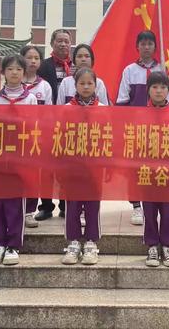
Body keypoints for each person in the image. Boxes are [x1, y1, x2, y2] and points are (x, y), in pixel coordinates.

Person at [0, 55, 37, 266]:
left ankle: (13, 245)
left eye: (18, 69)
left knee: (16, 203)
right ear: (2, 73)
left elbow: (34, 127)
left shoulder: (30, 98)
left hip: (20, 157)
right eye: (10, 69)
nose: (14, 73)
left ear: (24, 73)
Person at [116, 30, 169, 226]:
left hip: (160, 129)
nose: (146, 47)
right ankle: (137, 206)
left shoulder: (164, 69)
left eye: (150, 44)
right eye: (143, 43)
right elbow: (122, 100)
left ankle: (157, 201)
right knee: (136, 168)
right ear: (137, 47)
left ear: (155, 47)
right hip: (137, 128)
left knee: (159, 168)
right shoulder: (129, 70)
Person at [61, 68, 107, 265]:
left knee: (92, 205)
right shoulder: (65, 109)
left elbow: (108, 138)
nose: (86, 87)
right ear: (75, 85)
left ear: (96, 85)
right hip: (72, 166)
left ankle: (90, 242)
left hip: (95, 166)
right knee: (72, 205)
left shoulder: (103, 108)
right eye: (82, 83)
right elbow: (59, 137)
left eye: (90, 83)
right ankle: (73, 242)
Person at [35, 29, 74, 220]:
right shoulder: (43, 66)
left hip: (70, 126)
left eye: (66, 41)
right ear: (52, 43)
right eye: (59, 41)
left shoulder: (76, 66)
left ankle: (66, 205)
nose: (63, 44)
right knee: (46, 168)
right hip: (48, 124)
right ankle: (46, 206)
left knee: (67, 168)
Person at [143, 71, 169, 268]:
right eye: (155, 87)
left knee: (167, 209)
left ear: (168, 91)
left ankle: (167, 245)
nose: (159, 91)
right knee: (148, 209)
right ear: (148, 90)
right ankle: (152, 246)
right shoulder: (139, 114)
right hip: (146, 171)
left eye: (163, 87)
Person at [20, 45, 53, 228]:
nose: (32, 61)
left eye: (36, 58)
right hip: (15, 139)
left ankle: (29, 212)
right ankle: (17, 208)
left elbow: (48, 113)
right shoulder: (13, 83)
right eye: (29, 57)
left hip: (36, 138)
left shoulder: (44, 86)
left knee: (33, 176)